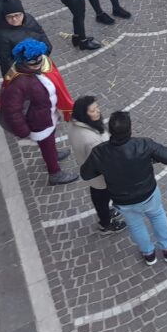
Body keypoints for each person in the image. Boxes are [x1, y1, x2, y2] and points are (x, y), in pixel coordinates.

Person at [80, 111, 167, 266]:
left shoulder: (100, 152)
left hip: (123, 200)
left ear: (110, 130)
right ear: (130, 129)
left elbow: (86, 174)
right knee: (157, 216)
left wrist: (104, 167)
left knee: (135, 225)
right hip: (148, 194)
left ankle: (148, 254)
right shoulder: (143, 144)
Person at [0, 39, 78, 185]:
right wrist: (23, 131)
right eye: (33, 62)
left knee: (49, 140)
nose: (39, 64)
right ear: (23, 61)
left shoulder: (41, 66)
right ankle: (54, 173)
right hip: (38, 121)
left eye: (40, 60)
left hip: (47, 114)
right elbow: (13, 111)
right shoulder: (18, 83)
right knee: (46, 143)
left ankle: (53, 154)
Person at [69, 96, 126, 233]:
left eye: (97, 108)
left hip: (93, 175)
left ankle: (105, 215)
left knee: (99, 196)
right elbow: (102, 162)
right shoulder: (91, 140)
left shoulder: (75, 124)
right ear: (84, 114)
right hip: (101, 177)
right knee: (101, 197)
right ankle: (105, 224)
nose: (98, 112)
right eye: (93, 110)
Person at [0, 0, 51, 76]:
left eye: (17, 15)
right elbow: (6, 61)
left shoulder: (29, 19)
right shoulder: (1, 35)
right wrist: (29, 69)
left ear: (23, 13)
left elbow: (42, 35)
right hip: (24, 73)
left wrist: (44, 55)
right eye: (9, 17)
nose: (14, 19)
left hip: (41, 62)